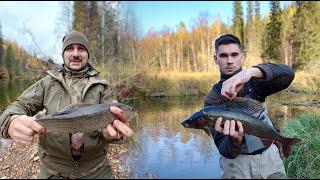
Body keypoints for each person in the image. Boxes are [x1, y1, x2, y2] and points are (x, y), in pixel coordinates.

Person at [0, 30, 133, 179]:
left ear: (88, 54)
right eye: (70, 48)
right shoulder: (46, 83)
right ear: (63, 54)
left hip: (97, 171)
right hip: (52, 173)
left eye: (81, 49)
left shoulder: (103, 87)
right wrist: (11, 121)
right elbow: (17, 106)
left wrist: (114, 136)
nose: (75, 54)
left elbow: (115, 132)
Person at [204, 34, 295, 179]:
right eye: (223, 55)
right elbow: (224, 149)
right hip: (236, 167)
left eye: (234, 55)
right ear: (216, 59)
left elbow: (288, 74)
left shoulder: (256, 83)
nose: (229, 61)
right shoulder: (212, 99)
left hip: (269, 159)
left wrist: (250, 72)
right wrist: (235, 140)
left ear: (242, 56)